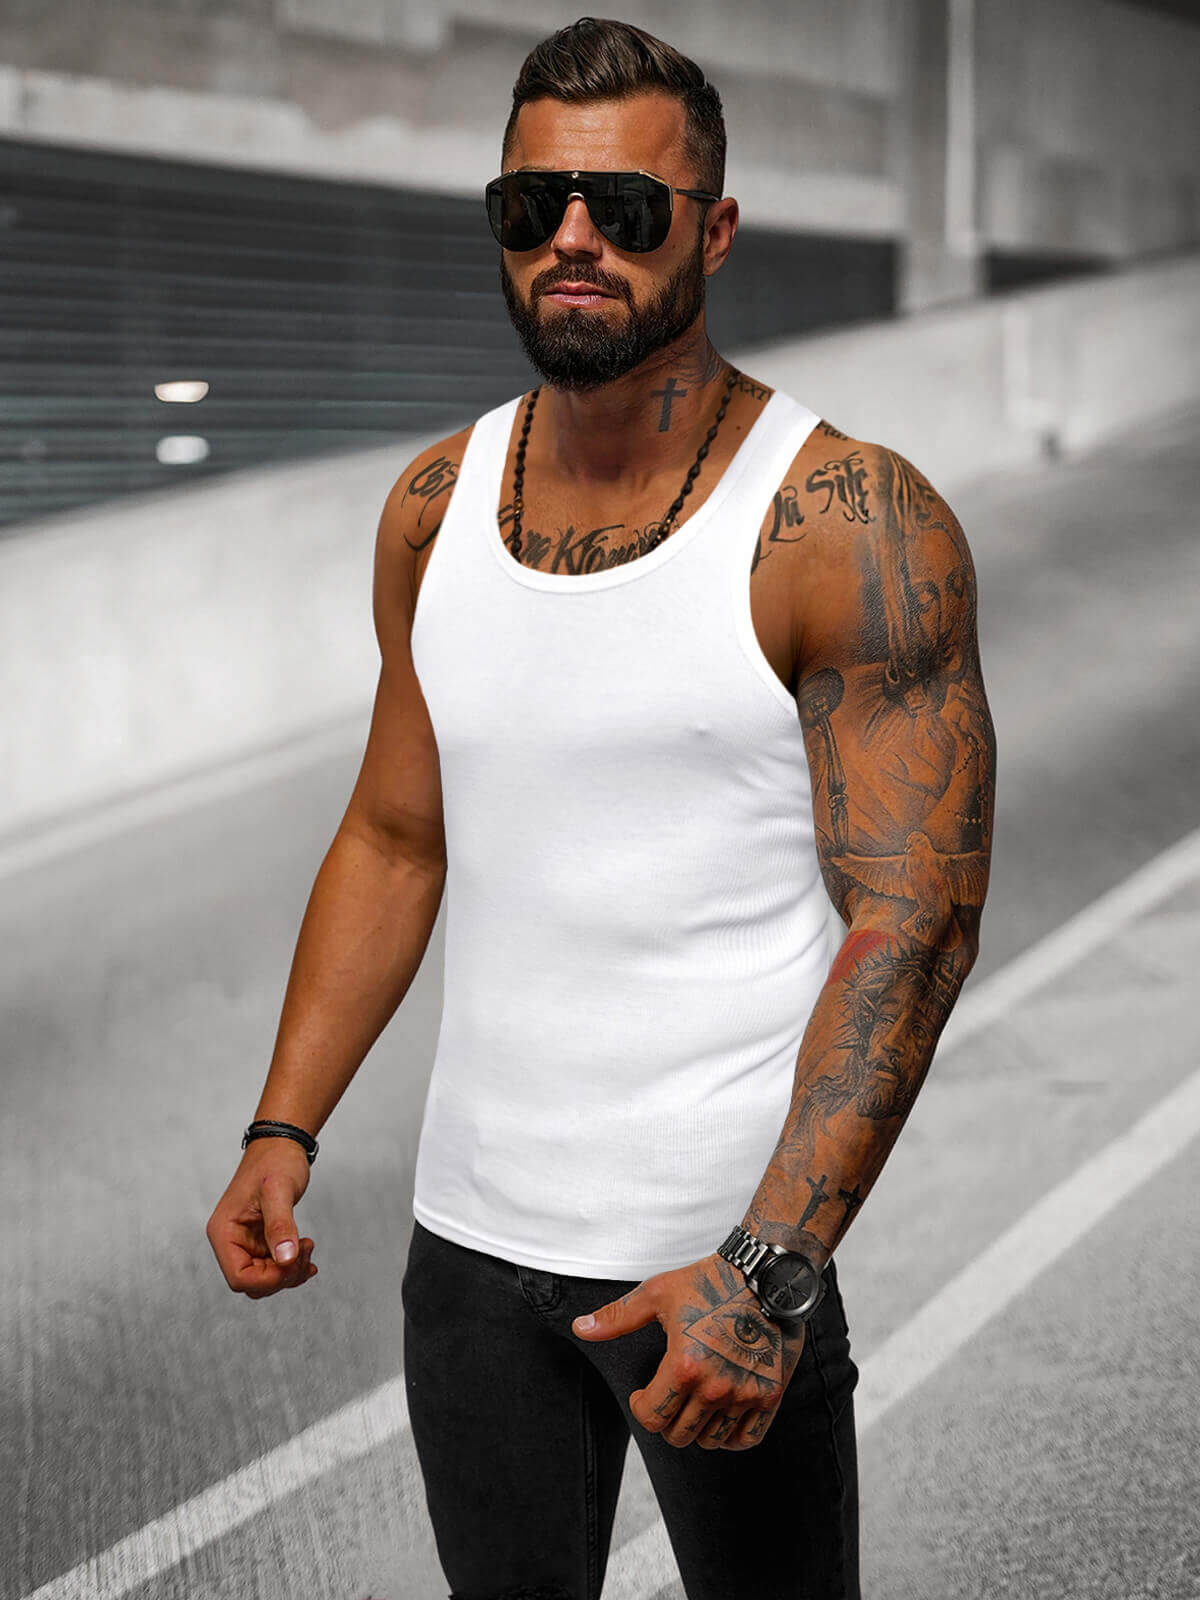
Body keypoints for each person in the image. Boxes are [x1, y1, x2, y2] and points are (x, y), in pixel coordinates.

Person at [206, 17, 996, 1600]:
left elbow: (916, 915)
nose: (574, 238)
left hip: (718, 1258)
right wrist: (283, 1123)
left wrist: (771, 1270)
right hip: (469, 1259)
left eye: (625, 208)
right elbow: (396, 837)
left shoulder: (843, 523)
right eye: (532, 206)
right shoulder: (434, 510)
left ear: (714, 230)